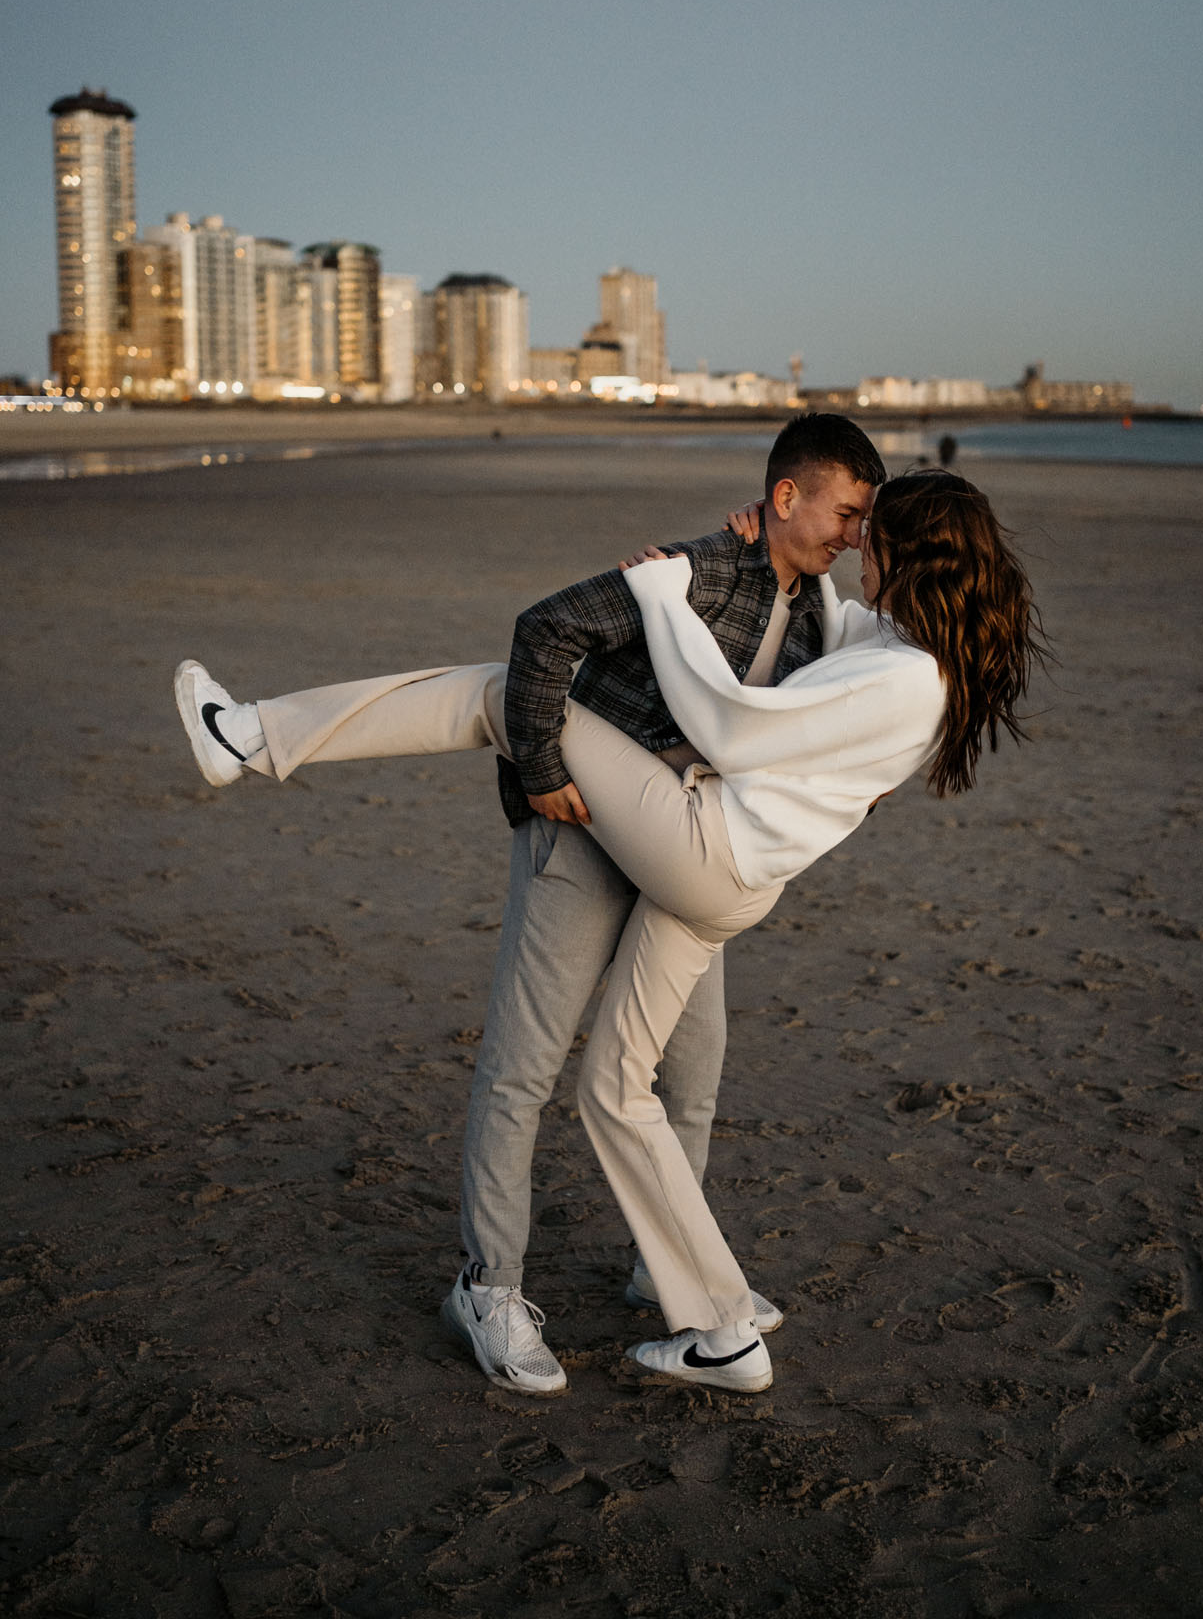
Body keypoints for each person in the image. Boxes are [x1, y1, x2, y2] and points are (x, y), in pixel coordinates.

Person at [176, 469, 1045, 1395]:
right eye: (851, 524)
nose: (857, 543)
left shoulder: (905, 677)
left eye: (873, 534)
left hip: (700, 849)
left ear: (913, 555)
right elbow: (836, 636)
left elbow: (734, 730)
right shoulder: (919, 655)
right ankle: (721, 1328)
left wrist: (665, 596)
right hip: (730, 878)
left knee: (503, 694)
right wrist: (783, 555)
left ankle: (251, 738)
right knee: (617, 1087)